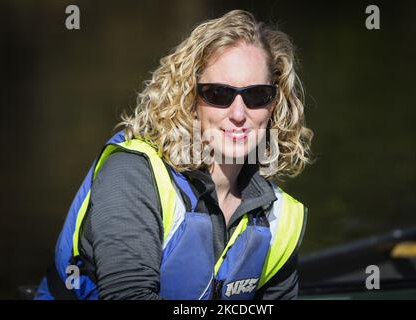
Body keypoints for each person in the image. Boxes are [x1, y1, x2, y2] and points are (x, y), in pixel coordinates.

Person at [35, 9, 313, 300]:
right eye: (218, 94)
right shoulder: (131, 174)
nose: (239, 114)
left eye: (257, 95)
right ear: (190, 99)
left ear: (274, 104)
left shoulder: (280, 216)